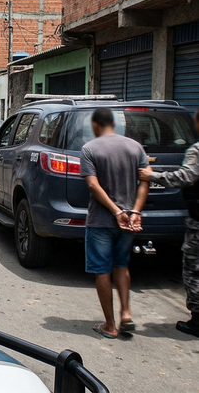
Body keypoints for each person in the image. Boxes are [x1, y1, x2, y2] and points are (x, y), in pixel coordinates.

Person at [81, 107, 149, 339]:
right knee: (122, 264)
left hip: (102, 221)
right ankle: (126, 313)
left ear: (96, 125)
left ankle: (110, 325)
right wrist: (135, 211)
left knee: (102, 270)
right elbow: (145, 181)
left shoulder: (89, 149)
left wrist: (115, 211)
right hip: (129, 221)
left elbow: (92, 185)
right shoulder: (135, 147)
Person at [138, 108, 199, 338]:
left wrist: (151, 175)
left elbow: (184, 177)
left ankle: (197, 320)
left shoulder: (196, 150)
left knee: (193, 269)